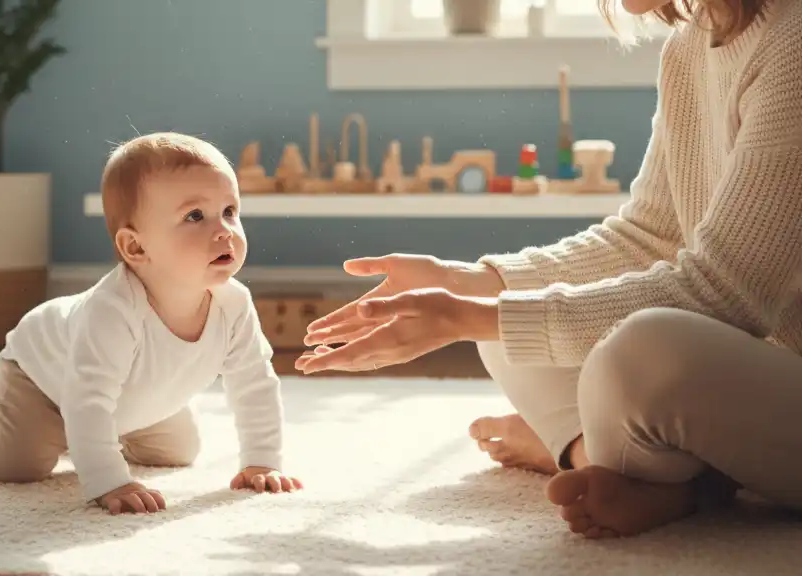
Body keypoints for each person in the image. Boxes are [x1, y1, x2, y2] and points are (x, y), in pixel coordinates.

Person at [297, 0, 802, 539]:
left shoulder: (793, 45)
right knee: (513, 321)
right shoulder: (691, 46)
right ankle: (639, 470)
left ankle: (604, 458)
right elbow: (649, 235)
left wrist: (463, 318)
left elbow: (728, 292)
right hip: (758, 383)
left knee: (639, 350)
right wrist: (467, 283)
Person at [0, 132, 302, 515]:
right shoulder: (114, 311)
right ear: (136, 248)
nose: (224, 230)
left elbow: (255, 383)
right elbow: (86, 399)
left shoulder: (234, 305)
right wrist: (108, 479)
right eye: (194, 216)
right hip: (45, 382)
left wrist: (262, 459)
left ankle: (103, 434)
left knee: (179, 452)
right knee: (17, 465)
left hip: (133, 399)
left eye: (229, 212)